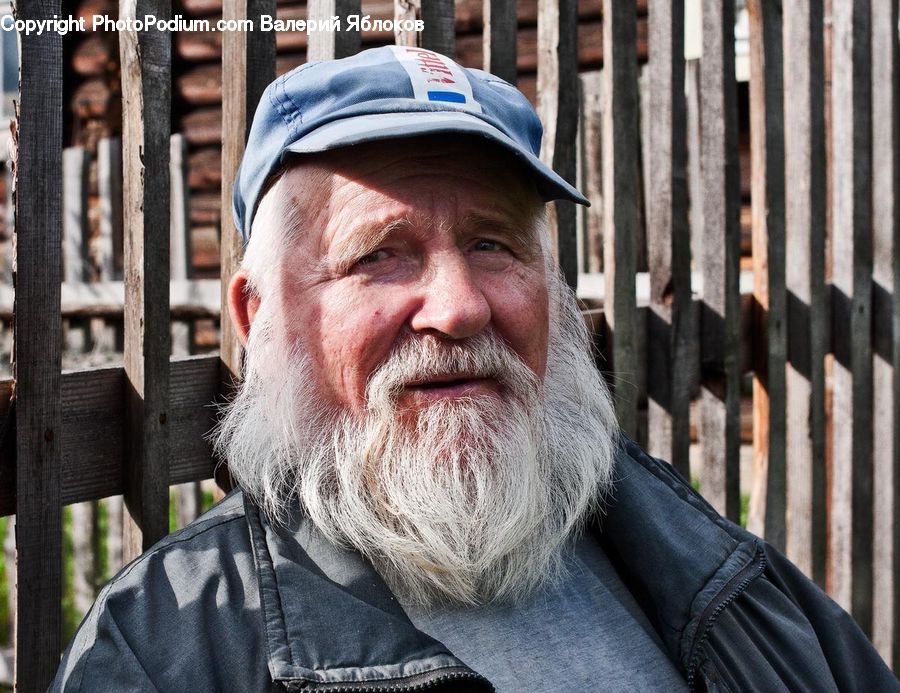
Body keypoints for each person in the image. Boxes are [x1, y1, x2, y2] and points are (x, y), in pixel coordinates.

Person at [53, 45, 896, 692]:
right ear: (257, 317)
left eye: (493, 243)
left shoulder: (696, 554)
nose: (458, 307)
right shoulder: (165, 651)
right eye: (381, 255)